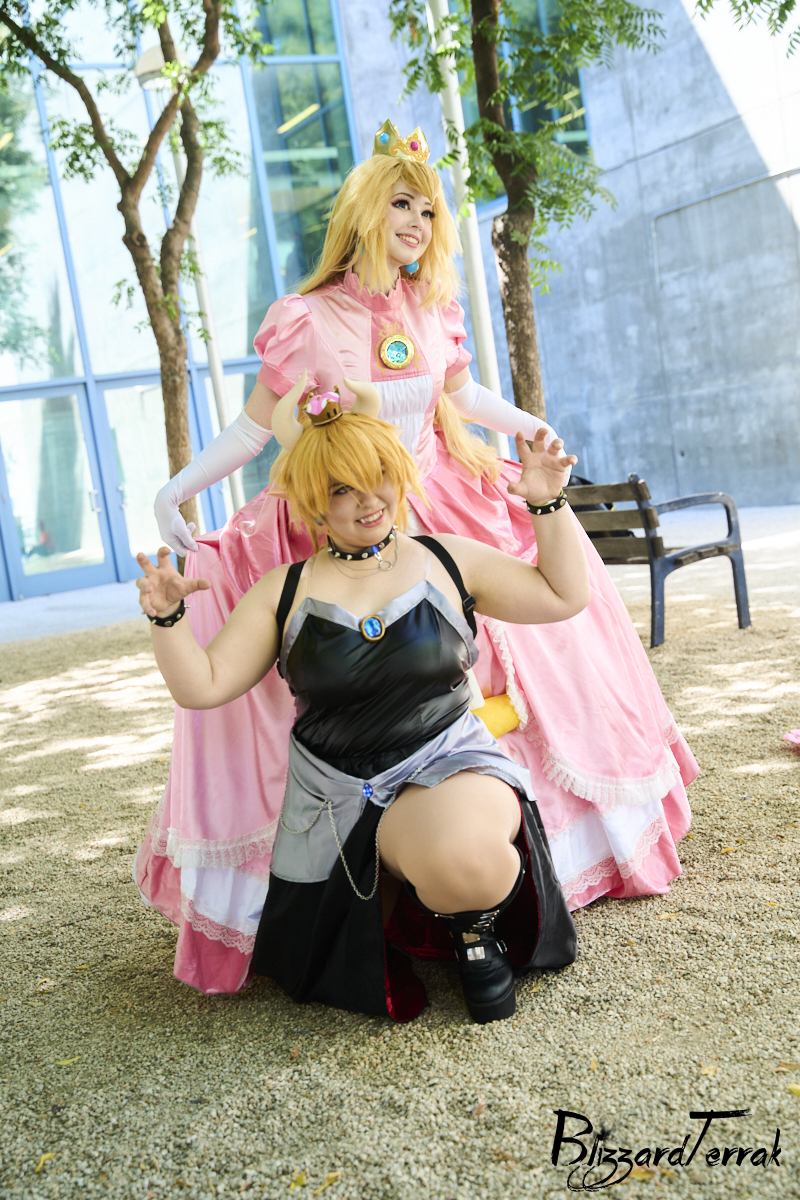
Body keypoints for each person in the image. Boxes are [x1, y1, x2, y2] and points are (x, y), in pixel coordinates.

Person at [136, 120, 696, 996]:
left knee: (521, 650)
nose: (419, 223)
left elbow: (461, 397)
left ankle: (509, 843)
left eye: (429, 211)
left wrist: (532, 430)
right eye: (404, 204)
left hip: (436, 505)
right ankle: (355, 865)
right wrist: (175, 489)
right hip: (339, 514)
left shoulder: (431, 306)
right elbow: (252, 430)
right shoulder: (303, 317)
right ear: (364, 210)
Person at [137, 379, 584, 1023]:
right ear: (313, 504)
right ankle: (406, 909)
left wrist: (548, 503)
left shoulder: (446, 560)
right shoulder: (283, 591)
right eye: (342, 489)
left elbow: (563, 595)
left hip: (448, 763)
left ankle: (474, 933)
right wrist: (168, 620)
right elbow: (202, 685)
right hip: (335, 795)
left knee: (466, 862)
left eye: (377, 476)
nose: (368, 499)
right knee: (365, 911)